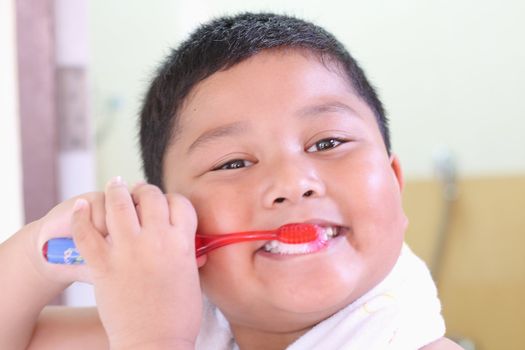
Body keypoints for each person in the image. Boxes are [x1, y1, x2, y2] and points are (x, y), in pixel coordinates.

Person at [0, 12, 463, 350]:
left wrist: (154, 341)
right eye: (234, 163)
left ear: (394, 181)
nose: (292, 182)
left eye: (327, 143)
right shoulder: (194, 326)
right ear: (176, 225)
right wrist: (36, 252)